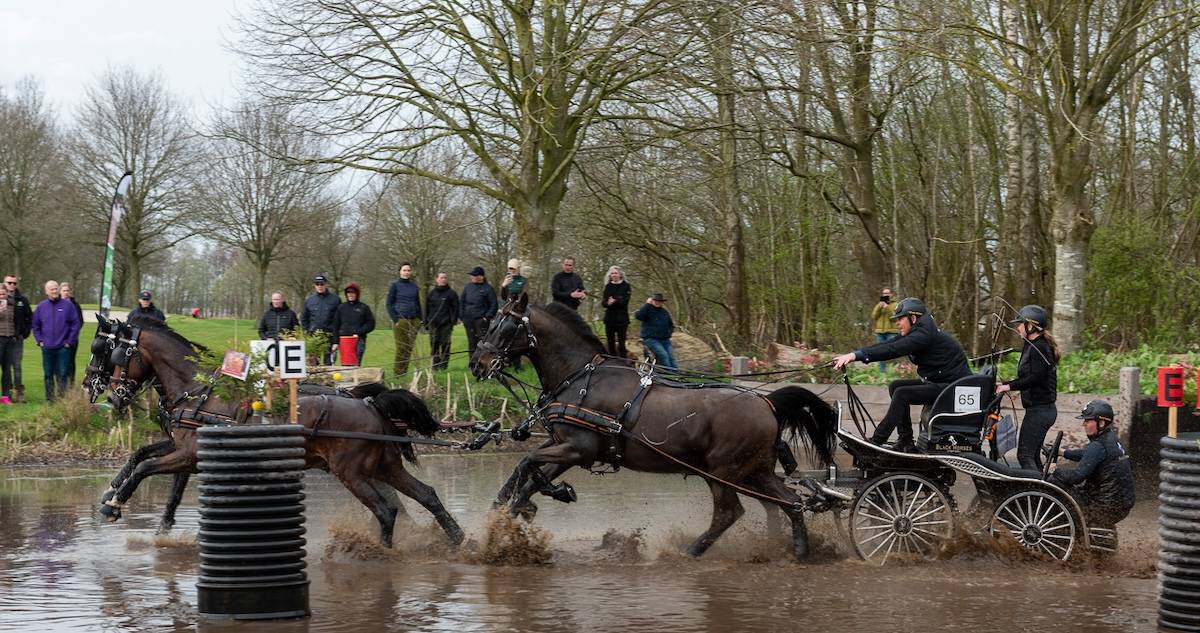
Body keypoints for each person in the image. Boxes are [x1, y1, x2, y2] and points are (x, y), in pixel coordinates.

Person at [832, 298, 971, 453]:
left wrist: (856, 356)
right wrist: (855, 355)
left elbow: (893, 349)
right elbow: (887, 345)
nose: (897, 323)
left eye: (900, 319)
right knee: (896, 386)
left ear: (913, 318)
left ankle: (877, 440)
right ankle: (906, 440)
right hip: (941, 382)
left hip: (953, 388)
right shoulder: (919, 331)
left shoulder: (922, 335)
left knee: (902, 394)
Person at [1048, 400, 1135, 527]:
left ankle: (1063, 529)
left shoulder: (1098, 445)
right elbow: (1089, 455)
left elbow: (1077, 477)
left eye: (1088, 421)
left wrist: (1055, 471)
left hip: (1103, 507)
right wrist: (1063, 453)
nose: (1084, 424)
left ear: (1101, 423)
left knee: (1056, 484)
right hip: (1121, 504)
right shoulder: (1112, 439)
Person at [995, 304, 1060, 470]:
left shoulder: (1040, 347)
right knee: (1032, 455)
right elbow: (1030, 377)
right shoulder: (1032, 344)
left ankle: (1031, 486)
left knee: (1024, 455)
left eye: (1020, 324)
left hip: (1041, 411)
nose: (1018, 327)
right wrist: (1012, 386)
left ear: (1031, 326)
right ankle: (1041, 485)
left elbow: (1036, 378)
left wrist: (1009, 386)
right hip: (1038, 410)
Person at [32, 280, 81, 402]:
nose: (54, 291)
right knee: (48, 375)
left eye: (56, 288)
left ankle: (62, 400)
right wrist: (39, 340)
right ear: (46, 291)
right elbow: (35, 325)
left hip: (63, 348)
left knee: (63, 375)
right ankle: (50, 400)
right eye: (51, 289)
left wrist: (69, 341)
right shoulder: (41, 307)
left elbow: (75, 323)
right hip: (47, 347)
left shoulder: (68, 305)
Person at [386, 263, 422, 378]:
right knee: (401, 347)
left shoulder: (414, 287)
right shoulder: (395, 286)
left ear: (411, 272)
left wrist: (420, 319)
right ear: (400, 272)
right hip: (401, 320)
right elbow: (389, 304)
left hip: (414, 320)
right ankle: (398, 373)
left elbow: (417, 303)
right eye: (404, 270)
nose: (406, 272)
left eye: (408, 270)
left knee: (409, 348)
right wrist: (395, 319)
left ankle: (404, 372)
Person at [2, 275, 32, 403]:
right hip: (3, 338)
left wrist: (25, 333)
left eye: (14, 283)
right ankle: (6, 393)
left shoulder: (22, 300)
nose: (12, 285)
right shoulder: (1, 298)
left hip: (17, 338)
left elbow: (29, 317)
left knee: (17, 366)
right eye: (9, 282)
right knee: (6, 367)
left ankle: (19, 392)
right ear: (4, 283)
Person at [332, 282, 376, 366]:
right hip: (344, 341)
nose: (350, 294)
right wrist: (335, 342)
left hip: (358, 340)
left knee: (356, 364)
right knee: (345, 365)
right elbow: (336, 325)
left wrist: (359, 332)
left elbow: (371, 324)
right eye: (348, 292)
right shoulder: (341, 307)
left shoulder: (364, 307)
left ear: (357, 294)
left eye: (353, 292)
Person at [301, 274, 340, 364]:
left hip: (329, 337)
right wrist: (307, 334)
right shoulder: (309, 300)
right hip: (314, 337)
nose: (320, 286)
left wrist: (336, 341)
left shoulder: (335, 300)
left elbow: (339, 321)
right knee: (313, 364)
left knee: (329, 364)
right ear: (314, 286)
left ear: (326, 285)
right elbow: (304, 319)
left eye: (322, 284)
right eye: (317, 284)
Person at [459, 266, 498, 356]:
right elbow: (462, 302)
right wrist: (462, 316)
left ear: (481, 277)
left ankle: (482, 361)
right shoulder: (468, 287)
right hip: (468, 320)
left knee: (482, 343)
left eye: (475, 275)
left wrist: (487, 317)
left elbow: (493, 304)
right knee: (471, 342)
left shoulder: (488, 288)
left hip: (481, 320)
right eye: (472, 275)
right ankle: (472, 362)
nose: (472, 277)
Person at [424, 272, 459, 371]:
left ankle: (443, 366)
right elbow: (426, 308)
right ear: (437, 279)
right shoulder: (431, 293)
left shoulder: (451, 293)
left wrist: (452, 321)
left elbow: (456, 308)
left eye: (445, 277)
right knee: (434, 345)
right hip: (433, 324)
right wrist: (426, 322)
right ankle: (435, 365)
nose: (443, 279)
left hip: (446, 323)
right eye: (441, 277)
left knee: (445, 345)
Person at [635, 292, 676, 369]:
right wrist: (647, 304)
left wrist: (669, 333)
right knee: (663, 355)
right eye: (656, 301)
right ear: (652, 301)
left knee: (671, 357)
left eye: (659, 301)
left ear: (662, 302)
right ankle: (668, 373)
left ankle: (676, 373)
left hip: (665, 339)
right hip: (651, 339)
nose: (657, 302)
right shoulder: (647, 309)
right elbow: (639, 316)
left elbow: (670, 324)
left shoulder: (664, 312)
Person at [602, 265, 631, 358]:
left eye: (616, 273)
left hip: (621, 319)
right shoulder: (608, 286)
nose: (614, 275)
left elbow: (624, 301)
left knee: (621, 343)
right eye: (612, 273)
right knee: (610, 342)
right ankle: (612, 360)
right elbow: (604, 302)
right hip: (610, 318)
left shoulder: (626, 286)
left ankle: (623, 361)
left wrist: (615, 300)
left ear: (620, 274)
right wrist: (608, 303)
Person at [59, 283, 84, 385]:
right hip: (58, 339)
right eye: (64, 290)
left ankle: (71, 383)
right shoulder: (57, 304)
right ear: (60, 292)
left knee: (70, 361)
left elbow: (80, 321)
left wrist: (72, 334)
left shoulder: (75, 305)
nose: (66, 292)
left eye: (67, 290)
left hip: (72, 339)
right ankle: (61, 383)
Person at [870, 288, 899, 374]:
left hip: (891, 332)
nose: (885, 295)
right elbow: (874, 316)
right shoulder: (879, 304)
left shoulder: (895, 304)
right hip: (880, 332)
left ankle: (894, 371)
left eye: (887, 293)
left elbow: (895, 318)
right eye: (884, 293)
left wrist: (887, 308)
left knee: (892, 352)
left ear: (891, 294)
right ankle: (882, 372)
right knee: (880, 352)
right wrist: (879, 307)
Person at [0, 283, 18, 403]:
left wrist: (15, 335)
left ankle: (5, 397)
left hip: (9, 339)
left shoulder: (12, 304)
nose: (2, 296)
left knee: (7, 369)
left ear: (7, 293)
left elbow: (16, 320)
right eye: (0, 294)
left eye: (3, 293)